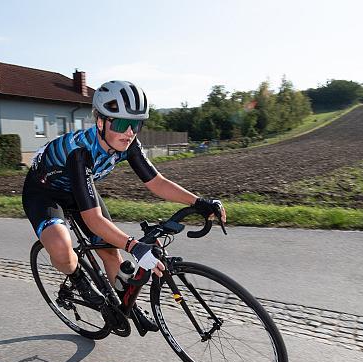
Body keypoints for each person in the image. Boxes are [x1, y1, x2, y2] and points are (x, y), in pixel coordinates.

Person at [22, 80, 225, 331]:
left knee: (109, 251)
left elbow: (157, 182)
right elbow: (93, 219)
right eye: (120, 123)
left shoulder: (129, 144)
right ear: (101, 122)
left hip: (79, 187)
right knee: (62, 248)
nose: (129, 132)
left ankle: (125, 304)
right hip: (45, 192)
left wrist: (198, 202)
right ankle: (78, 280)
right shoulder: (80, 152)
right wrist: (134, 245)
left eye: (136, 124)